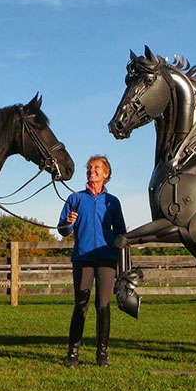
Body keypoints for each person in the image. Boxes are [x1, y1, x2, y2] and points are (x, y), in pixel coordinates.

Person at [58, 155, 127, 367]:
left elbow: (122, 233)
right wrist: (68, 224)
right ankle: (73, 353)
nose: (91, 170)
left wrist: (123, 265)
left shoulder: (112, 202)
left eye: (96, 168)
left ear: (106, 174)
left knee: (103, 305)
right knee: (81, 304)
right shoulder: (75, 199)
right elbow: (62, 229)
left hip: (107, 259)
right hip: (83, 258)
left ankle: (102, 354)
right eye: (89, 168)